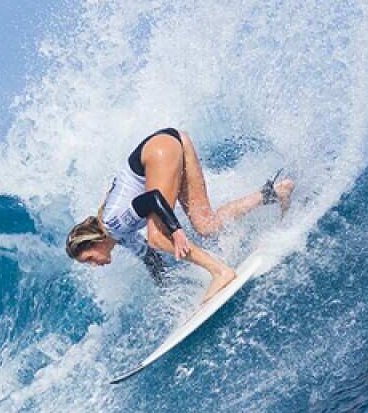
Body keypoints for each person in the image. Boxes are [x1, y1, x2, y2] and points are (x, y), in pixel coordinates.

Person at [65, 128, 294, 301]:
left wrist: (176, 231)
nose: (94, 264)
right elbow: (150, 258)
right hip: (173, 141)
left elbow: (151, 198)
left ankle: (221, 272)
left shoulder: (113, 223)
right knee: (206, 225)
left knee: (157, 236)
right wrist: (169, 293)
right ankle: (273, 193)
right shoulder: (121, 237)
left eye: (89, 259)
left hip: (158, 150)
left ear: (93, 242)